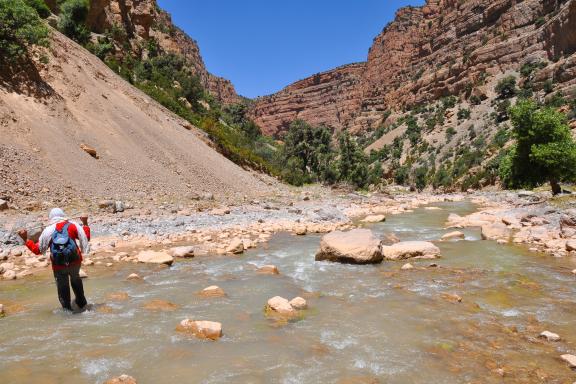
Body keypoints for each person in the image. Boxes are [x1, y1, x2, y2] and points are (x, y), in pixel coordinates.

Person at [18, 208, 91, 312]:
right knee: (76, 280)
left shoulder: (48, 230)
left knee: (63, 288)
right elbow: (86, 238)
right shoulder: (73, 225)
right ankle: (82, 306)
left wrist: (25, 238)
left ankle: (67, 312)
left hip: (58, 265)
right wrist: (85, 222)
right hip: (75, 262)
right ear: (63, 215)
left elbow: (37, 250)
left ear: (51, 218)